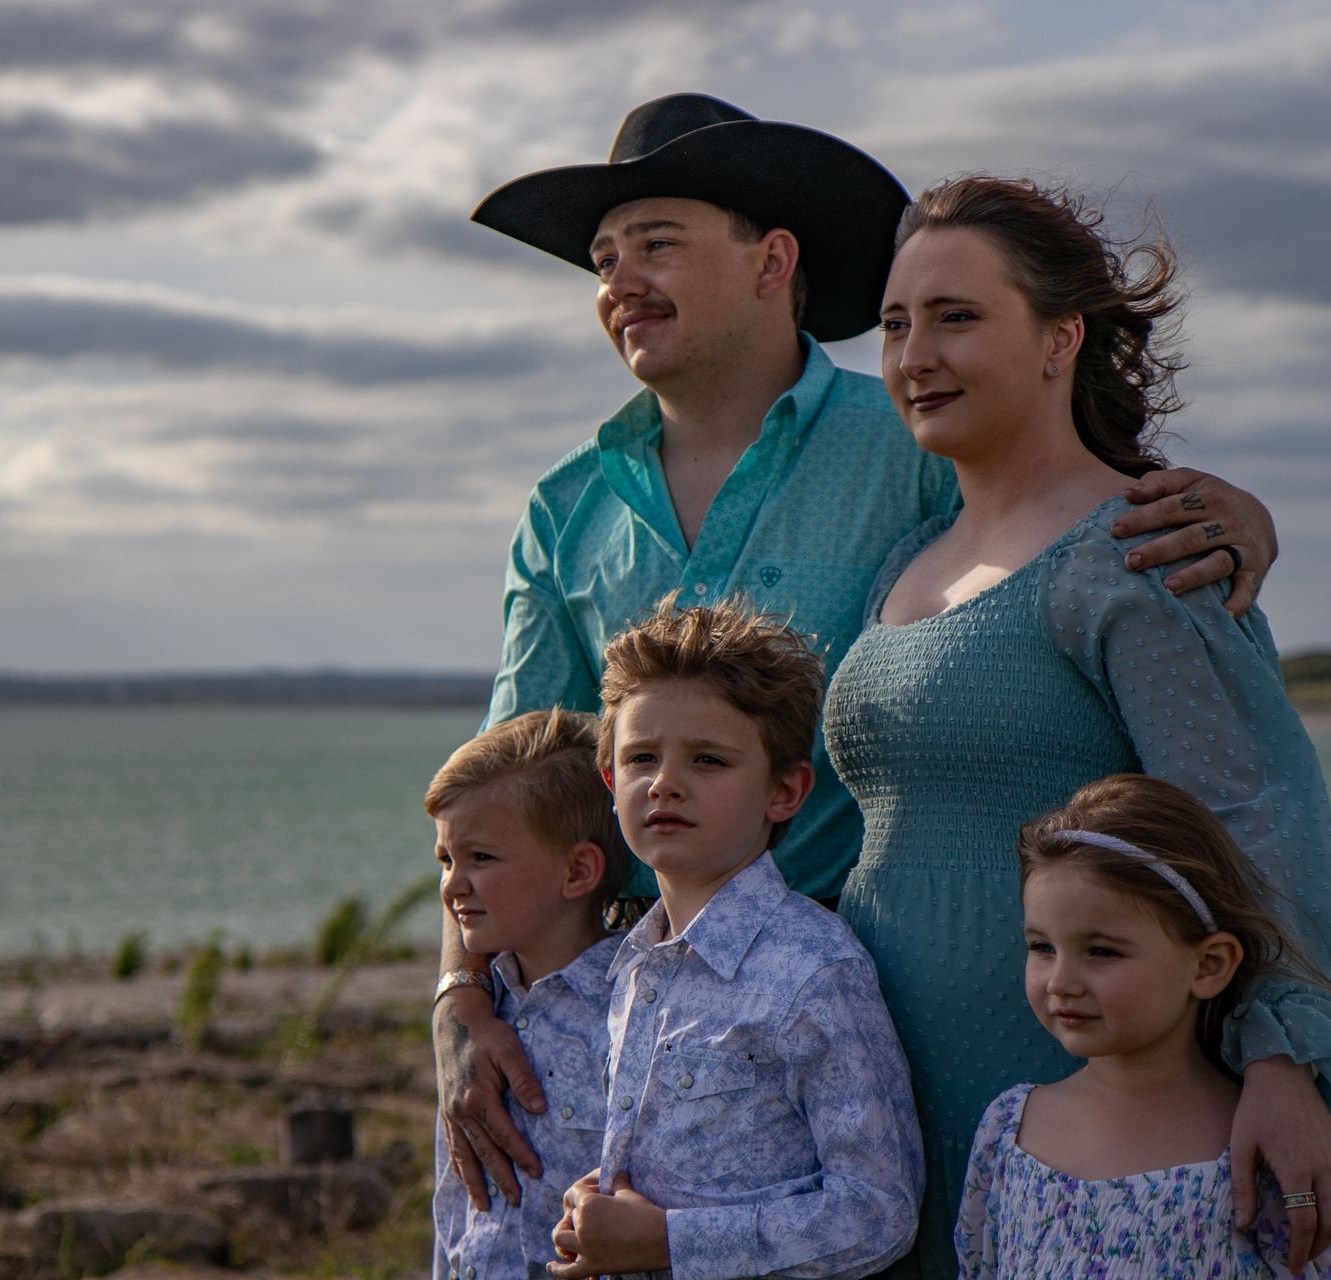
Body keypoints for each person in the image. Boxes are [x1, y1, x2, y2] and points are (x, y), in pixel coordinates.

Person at [440, 91, 1281, 1212]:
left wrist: (1219, 507)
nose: (617, 282)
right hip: (641, 1027)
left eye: (655, 243)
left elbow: (1066, 520)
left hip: (905, 994)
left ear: (771, 259)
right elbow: (505, 790)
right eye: (602, 258)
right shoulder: (564, 507)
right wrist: (460, 999)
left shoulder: (920, 439)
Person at [822, 174, 1331, 1272]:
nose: (913, 354)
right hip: (883, 1103)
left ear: (1059, 338)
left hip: (1070, 1103)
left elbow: (1252, 812)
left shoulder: (1138, 550)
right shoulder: (907, 560)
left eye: (957, 316)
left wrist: (1284, 1062)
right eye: (894, 324)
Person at [547, 597, 922, 1280]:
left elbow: (877, 1212)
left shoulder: (813, 969)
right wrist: (602, 1205)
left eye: (708, 761)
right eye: (640, 758)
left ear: (784, 791)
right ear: (610, 782)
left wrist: (668, 1242)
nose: (664, 783)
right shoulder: (634, 962)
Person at [955, 774, 1331, 1276]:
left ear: (1208, 965)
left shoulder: (1264, 1149)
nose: (1060, 981)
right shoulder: (1009, 1130)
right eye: (1042, 947)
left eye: (1102, 951)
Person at [426, 709, 634, 1280]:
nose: (452, 885)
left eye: (480, 858)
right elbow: (455, 1201)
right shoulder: (474, 1021)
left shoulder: (636, 1012)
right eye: (446, 859)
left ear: (577, 871)